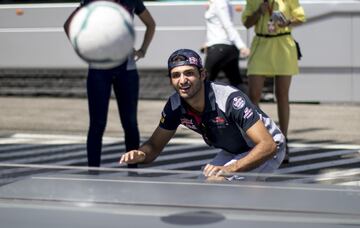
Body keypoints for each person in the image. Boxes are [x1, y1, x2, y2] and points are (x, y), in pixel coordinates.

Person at [120, 49, 285, 181]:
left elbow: (267, 146)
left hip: (268, 147)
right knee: (205, 183)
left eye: (189, 73)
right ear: (170, 81)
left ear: (203, 75)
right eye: (176, 75)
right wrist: (142, 154)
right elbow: (154, 146)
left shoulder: (229, 99)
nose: (183, 80)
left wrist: (229, 169)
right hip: (234, 150)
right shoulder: (175, 105)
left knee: (217, 181)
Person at [64, 0, 156, 168]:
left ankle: (133, 169)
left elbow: (151, 24)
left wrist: (143, 50)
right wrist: (85, 48)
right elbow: (68, 25)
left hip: (126, 69)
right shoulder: (93, 1)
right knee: (97, 124)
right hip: (99, 68)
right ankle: (93, 171)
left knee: (130, 123)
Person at [242, 0, 305, 163]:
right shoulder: (253, 1)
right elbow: (246, 23)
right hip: (261, 45)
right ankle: (259, 138)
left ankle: (284, 141)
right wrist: (259, 12)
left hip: (283, 45)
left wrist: (288, 22)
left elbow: (301, 17)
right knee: (253, 95)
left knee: (282, 95)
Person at [202, 0, 250, 92]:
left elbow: (228, 25)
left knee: (203, 82)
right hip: (224, 47)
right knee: (236, 82)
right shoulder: (216, 3)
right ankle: (251, 105)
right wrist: (207, 43)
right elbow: (215, 26)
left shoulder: (220, 3)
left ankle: (198, 105)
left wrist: (241, 46)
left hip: (220, 48)